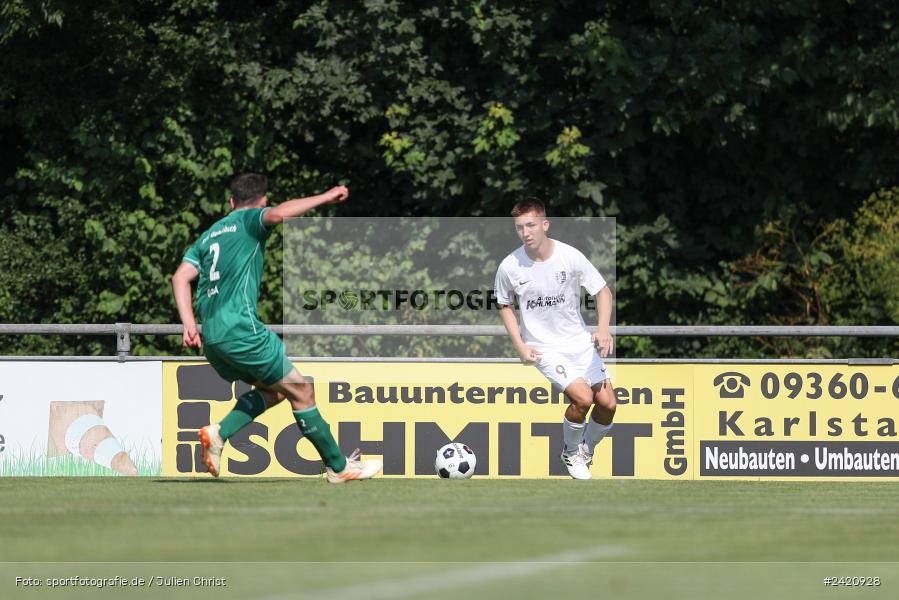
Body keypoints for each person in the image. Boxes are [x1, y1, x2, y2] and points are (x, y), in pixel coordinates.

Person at [171, 173, 381, 483]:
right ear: (263, 201)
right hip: (243, 331)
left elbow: (179, 277)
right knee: (302, 391)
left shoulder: (208, 235)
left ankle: (220, 433)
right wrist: (326, 196)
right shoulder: (249, 220)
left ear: (231, 201)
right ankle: (339, 467)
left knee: (274, 391)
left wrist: (189, 325)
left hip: (213, 338)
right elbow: (280, 214)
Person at [494, 199, 616, 479]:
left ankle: (586, 449)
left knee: (608, 404)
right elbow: (504, 305)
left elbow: (603, 291)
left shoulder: (569, 256)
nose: (525, 232)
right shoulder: (509, 266)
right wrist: (520, 346)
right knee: (583, 399)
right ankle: (570, 452)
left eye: (531, 225)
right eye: (520, 227)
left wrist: (603, 329)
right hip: (544, 349)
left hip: (579, 344)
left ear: (545, 224)